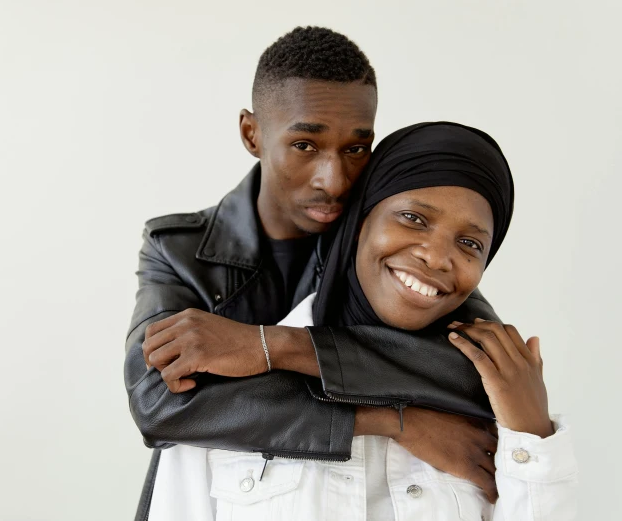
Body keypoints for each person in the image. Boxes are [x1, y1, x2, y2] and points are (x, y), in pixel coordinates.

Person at [126, 27, 500, 519]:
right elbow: (160, 403)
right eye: (305, 145)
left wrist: (266, 346)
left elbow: (466, 367)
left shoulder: (386, 239)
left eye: (355, 148)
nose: (335, 180)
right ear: (251, 133)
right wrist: (394, 422)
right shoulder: (179, 251)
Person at [147, 122, 578, 520]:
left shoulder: (497, 405)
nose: (436, 256)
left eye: (470, 243)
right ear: (358, 224)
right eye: (414, 218)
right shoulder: (220, 391)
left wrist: (530, 437)